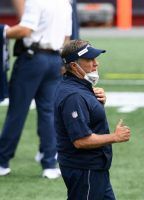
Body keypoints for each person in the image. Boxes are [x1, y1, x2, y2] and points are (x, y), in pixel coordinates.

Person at [0, 0, 72, 179]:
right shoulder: (65, 4)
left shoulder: (35, 1)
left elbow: (25, 30)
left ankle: (2, 162)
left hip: (33, 59)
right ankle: (49, 163)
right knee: (48, 113)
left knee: (17, 112)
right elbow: (66, 38)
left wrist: (3, 31)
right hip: (54, 59)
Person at [55, 39, 131, 200]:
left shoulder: (80, 88)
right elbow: (81, 141)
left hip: (94, 169)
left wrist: (97, 103)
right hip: (84, 170)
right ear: (74, 66)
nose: (96, 64)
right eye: (89, 60)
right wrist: (115, 137)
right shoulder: (74, 96)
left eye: (95, 59)